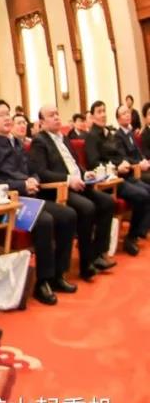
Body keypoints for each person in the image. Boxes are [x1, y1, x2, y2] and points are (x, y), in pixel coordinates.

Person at [0, 99, 77, 305]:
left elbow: (33, 170)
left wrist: (34, 180)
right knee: (45, 221)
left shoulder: (17, 143)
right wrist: (22, 185)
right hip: (8, 204)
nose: (7, 118)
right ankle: (43, 281)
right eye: (1, 115)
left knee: (68, 215)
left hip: (29, 198)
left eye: (8, 113)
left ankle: (59, 274)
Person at [29, 105, 116, 282]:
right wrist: (69, 180)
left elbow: (74, 164)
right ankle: (86, 263)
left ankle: (98, 253)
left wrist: (85, 173)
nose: (56, 117)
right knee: (87, 207)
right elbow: (42, 173)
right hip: (59, 189)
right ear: (42, 122)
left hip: (79, 183)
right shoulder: (40, 142)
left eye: (57, 113)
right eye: (51, 115)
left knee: (107, 201)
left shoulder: (64, 138)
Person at [86, 100, 150, 255]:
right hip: (110, 181)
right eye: (99, 112)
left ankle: (139, 232)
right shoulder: (92, 137)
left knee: (148, 191)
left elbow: (118, 155)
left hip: (123, 175)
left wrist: (123, 162)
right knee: (142, 195)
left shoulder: (108, 133)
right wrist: (116, 167)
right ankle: (131, 237)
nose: (103, 115)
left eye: (104, 111)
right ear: (92, 117)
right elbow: (94, 162)